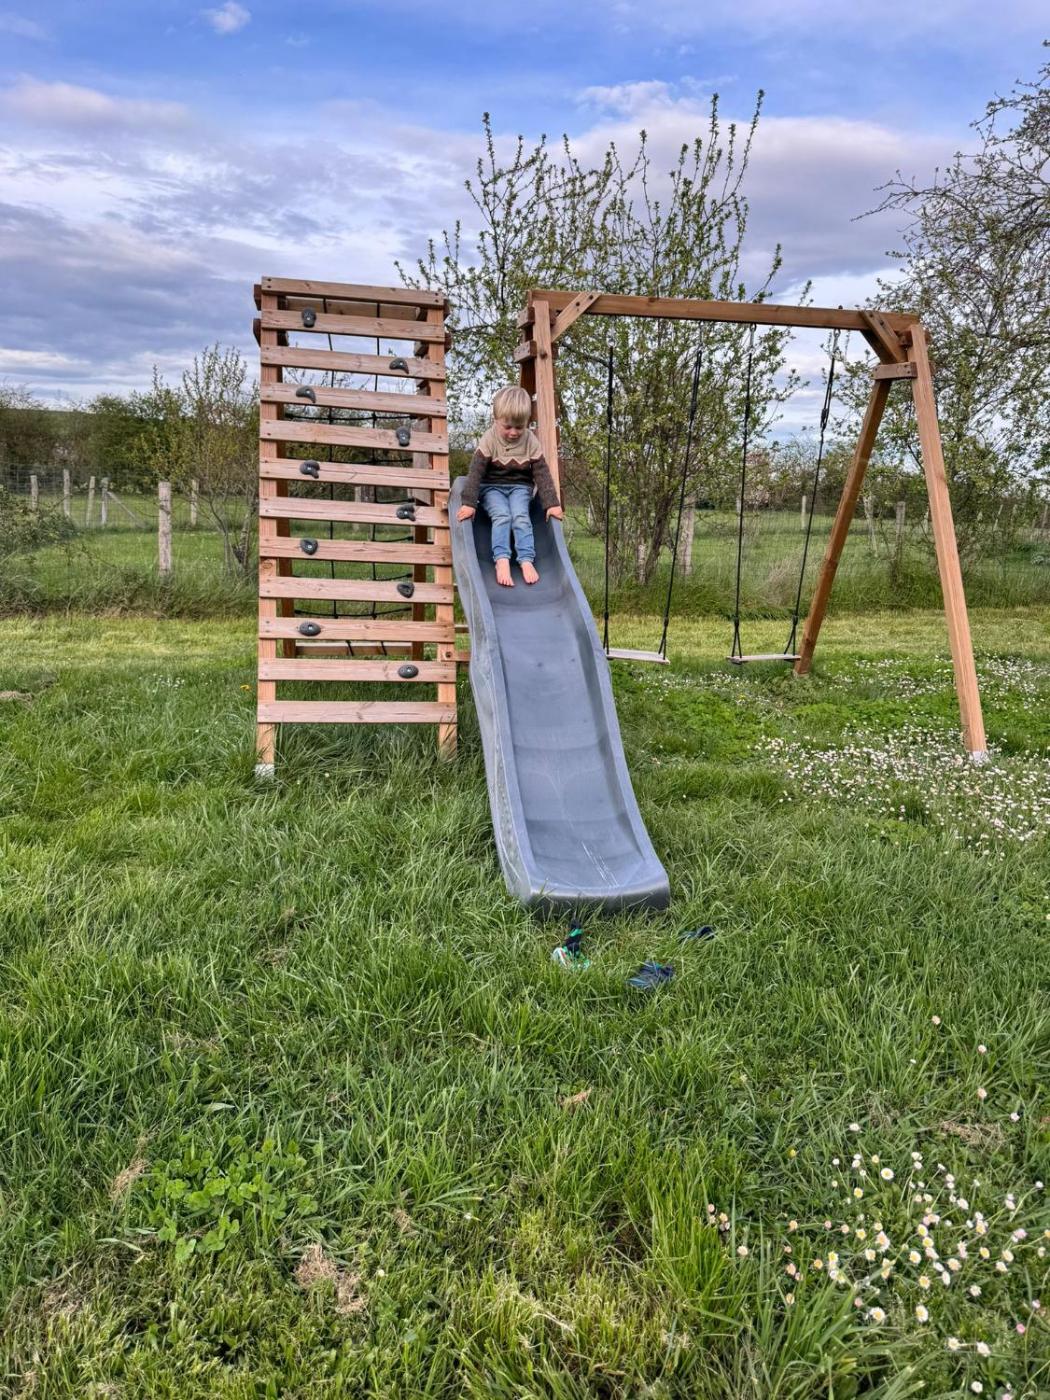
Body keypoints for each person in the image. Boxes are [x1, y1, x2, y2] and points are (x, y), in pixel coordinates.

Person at [456, 386, 564, 586]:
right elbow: (476, 471)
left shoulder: (530, 440)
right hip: (492, 487)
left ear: (527, 423)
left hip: (520, 488)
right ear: (496, 419)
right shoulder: (490, 438)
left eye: (519, 427)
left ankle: (526, 559)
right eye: (507, 427)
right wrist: (469, 503)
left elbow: (541, 472)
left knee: (520, 516)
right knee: (503, 515)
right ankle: (502, 559)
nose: (513, 432)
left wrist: (552, 503)